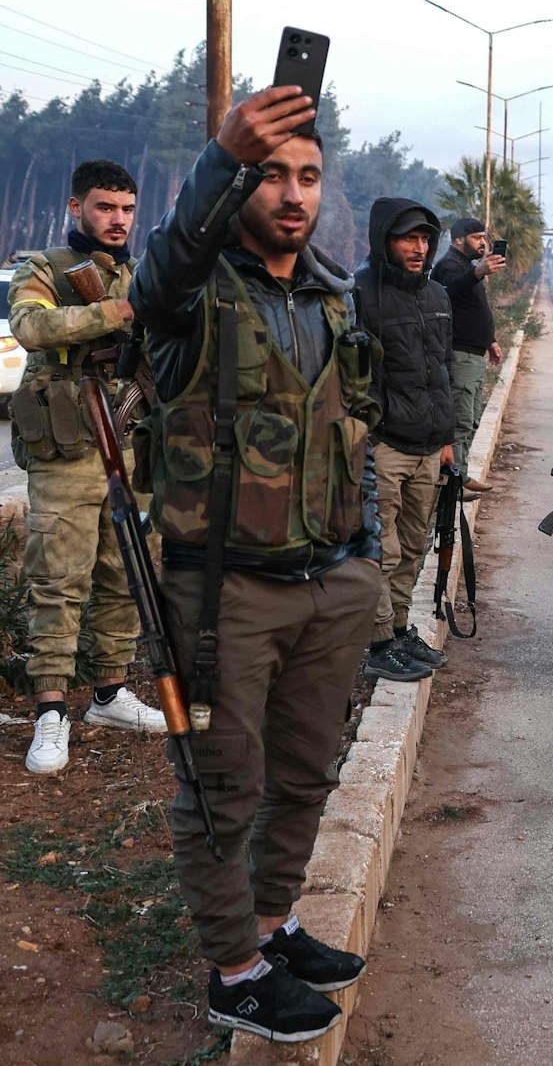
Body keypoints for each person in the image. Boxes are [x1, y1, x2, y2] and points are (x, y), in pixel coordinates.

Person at [127, 87, 379, 1042]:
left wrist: (371, 569)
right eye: (271, 173)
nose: (292, 193)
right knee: (221, 785)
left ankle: (274, 925)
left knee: (308, 770)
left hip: (332, 581)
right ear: (240, 184)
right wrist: (219, 160)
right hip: (224, 590)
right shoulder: (193, 293)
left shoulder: (331, 296)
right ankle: (234, 968)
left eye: (308, 176)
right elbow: (158, 278)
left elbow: (353, 432)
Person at [8, 159, 165, 773]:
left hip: (126, 442)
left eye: (126, 209)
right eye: (105, 207)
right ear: (77, 208)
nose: (118, 219)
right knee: (59, 579)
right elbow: (31, 326)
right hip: (68, 449)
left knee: (123, 573)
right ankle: (50, 711)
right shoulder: (45, 268)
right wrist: (115, 315)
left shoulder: (139, 274)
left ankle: (108, 693)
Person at [350, 197, 454, 682]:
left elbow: (443, 371)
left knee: (413, 546)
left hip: (429, 447)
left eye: (425, 239)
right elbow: (351, 376)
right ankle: (376, 644)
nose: (418, 248)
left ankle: (396, 629)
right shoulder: (360, 294)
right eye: (408, 238)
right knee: (381, 551)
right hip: (384, 444)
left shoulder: (437, 295)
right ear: (384, 241)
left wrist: (448, 438)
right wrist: (362, 437)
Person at [431, 216, 505, 494]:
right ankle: (452, 485)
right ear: (459, 239)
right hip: (459, 356)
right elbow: (447, 293)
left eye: (484, 237)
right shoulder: (450, 265)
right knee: (460, 421)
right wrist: (477, 273)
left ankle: (460, 476)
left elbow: (473, 309)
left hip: (473, 355)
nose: (483, 243)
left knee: (471, 417)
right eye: (477, 238)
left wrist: (490, 340)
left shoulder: (466, 267)